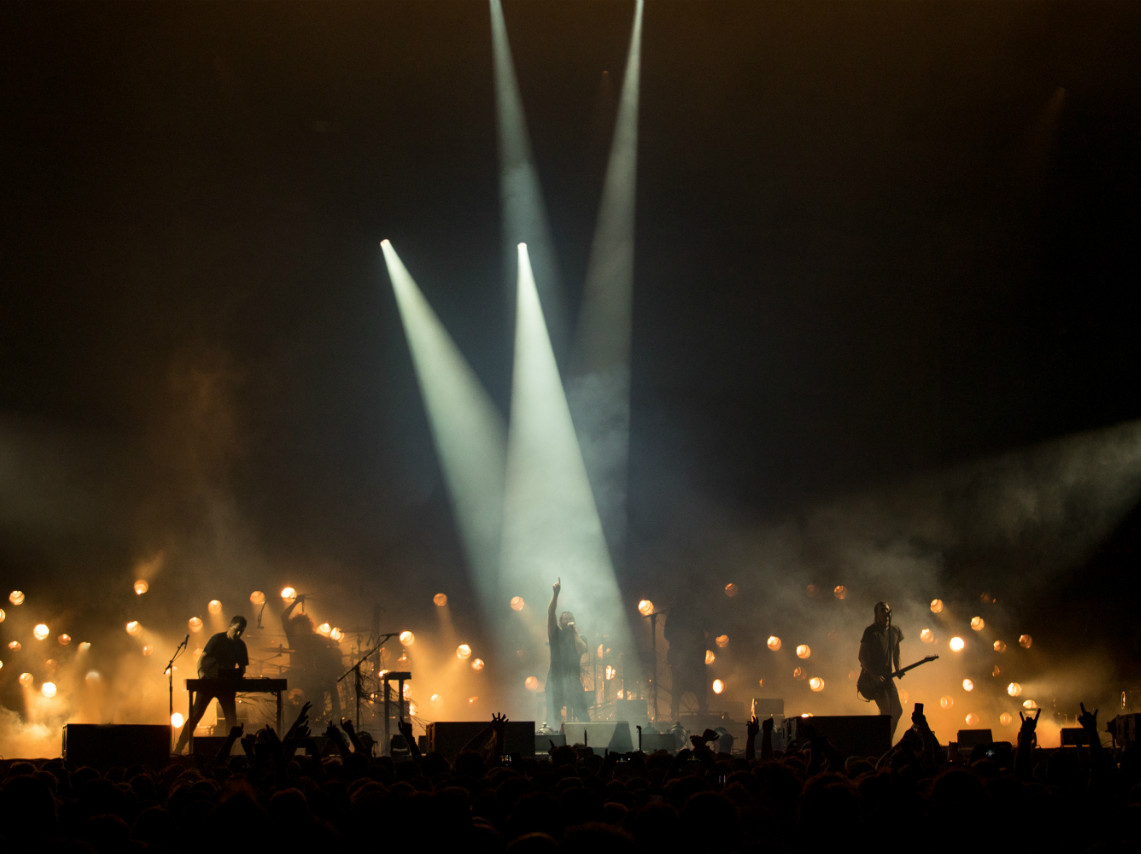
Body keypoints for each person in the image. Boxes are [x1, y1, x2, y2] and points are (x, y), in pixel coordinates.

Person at [173, 615, 250, 754]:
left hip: (226, 686)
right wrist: (201, 673)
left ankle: (230, 750)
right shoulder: (217, 639)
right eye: (237, 630)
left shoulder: (240, 645)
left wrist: (239, 676)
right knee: (196, 715)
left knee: (231, 718)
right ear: (230, 627)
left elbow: (242, 667)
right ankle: (179, 748)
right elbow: (201, 658)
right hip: (208, 682)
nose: (239, 634)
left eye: (242, 631)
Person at [280, 594, 342, 720]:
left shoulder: (315, 639)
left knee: (330, 683)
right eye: (297, 627)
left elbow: (331, 647)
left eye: (302, 627)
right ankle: (286, 715)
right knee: (282, 685)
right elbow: (283, 616)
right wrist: (295, 602)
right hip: (296, 673)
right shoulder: (293, 638)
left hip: (312, 675)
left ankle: (335, 714)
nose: (300, 630)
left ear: (307, 627)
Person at [858, 601, 904, 739]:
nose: (886, 613)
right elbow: (861, 657)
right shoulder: (870, 631)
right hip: (872, 678)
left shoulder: (895, 631)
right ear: (876, 614)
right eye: (883, 610)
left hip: (887, 678)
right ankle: (882, 742)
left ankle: (885, 739)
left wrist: (898, 669)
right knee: (886, 711)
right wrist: (874, 676)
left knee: (898, 711)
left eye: (888, 610)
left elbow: (896, 653)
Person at [547, 577, 589, 724]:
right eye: (565, 618)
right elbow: (551, 613)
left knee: (582, 713)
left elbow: (582, 650)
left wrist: (574, 632)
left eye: (571, 618)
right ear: (560, 621)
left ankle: (588, 739)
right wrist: (556, 594)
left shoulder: (579, 637)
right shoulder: (555, 633)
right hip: (555, 677)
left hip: (572, 678)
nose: (568, 620)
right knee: (553, 715)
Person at [663, 598, 708, 720]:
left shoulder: (696, 614)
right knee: (678, 686)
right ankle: (674, 713)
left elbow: (706, 630)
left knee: (698, 686)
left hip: (695, 659)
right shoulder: (675, 614)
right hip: (681, 658)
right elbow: (667, 633)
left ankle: (702, 713)